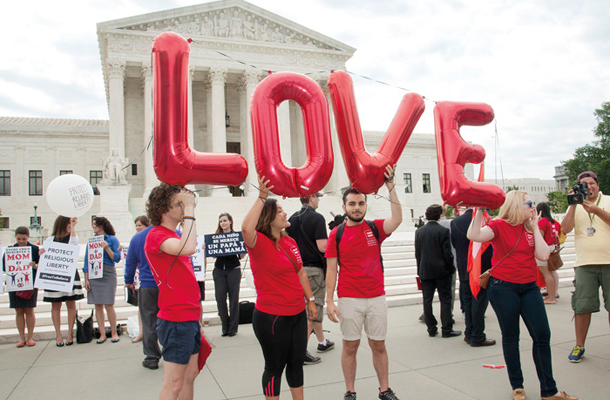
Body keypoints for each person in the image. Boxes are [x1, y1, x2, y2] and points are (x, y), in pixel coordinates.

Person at [467, 190, 577, 400]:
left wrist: (535, 226)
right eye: (530, 203)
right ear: (518, 205)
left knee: (542, 335)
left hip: (529, 288)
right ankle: (518, 386)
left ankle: (549, 391)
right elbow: (474, 236)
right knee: (511, 337)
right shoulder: (498, 225)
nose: (533, 207)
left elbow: (544, 255)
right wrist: (480, 211)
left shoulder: (531, 227)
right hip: (503, 288)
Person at [325, 165, 403, 400]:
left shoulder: (375, 227)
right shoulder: (336, 234)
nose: (357, 208)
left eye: (361, 204)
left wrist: (391, 188)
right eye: (352, 204)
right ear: (344, 207)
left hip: (376, 297)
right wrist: (329, 301)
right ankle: (350, 391)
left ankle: (384, 389)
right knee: (350, 346)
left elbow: (397, 219)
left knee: (378, 345)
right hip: (349, 299)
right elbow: (331, 270)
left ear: (365, 205)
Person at [242, 176, 317, 400]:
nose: (285, 213)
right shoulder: (258, 244)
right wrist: (262, 196)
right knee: (275, 367)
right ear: (268, 218)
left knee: (296, 363)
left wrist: (311, 300)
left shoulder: (290, 241)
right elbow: (246, 228)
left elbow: (301, 272)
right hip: (272, 317)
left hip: (297, 313)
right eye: (280, 211)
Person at [144, 183, 202, 400]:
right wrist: (190, 210)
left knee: (189, 375)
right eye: (178, 203)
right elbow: (187, 248)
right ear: (163, 209)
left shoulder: (173, 234)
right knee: (173, 383)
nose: (183, 207)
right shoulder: (156, 235)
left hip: (188, 315)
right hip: (176, 318)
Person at [560, 171, 610, 363]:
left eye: (591, 183)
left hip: (608, 261)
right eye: (584, 184)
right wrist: (573, 204)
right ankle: (579, 345)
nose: (588, 187)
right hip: (585, 264)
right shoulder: (576, 204)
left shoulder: (607, 201)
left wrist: (596, 210)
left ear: (598, 185)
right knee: (582, 306)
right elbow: (565, 229)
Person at [286, 192, 334, 365]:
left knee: (312, 308)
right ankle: (301, 352)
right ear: (311, 198)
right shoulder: (317, 218)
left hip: (297, 269)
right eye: (317, 197)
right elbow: (322, 246)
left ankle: (322, 342)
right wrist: (335, 236)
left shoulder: (291, 218)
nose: (319, 200)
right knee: (314, 310)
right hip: (313, 269)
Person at [450, 207, 496, 347]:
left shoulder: (455, 222)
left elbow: (454, 244)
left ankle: (469, 332)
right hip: (481, 268)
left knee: (468, 302)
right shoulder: (486, 221)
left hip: (464, 267)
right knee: (479, 302)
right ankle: (477, 335)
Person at [415, 204, 460, 338]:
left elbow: (418, 253)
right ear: (440, 215)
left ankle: (431, 328)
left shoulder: (419, 231)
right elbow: (447, 253)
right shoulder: (443, 231)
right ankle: (446, 328)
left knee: (427, 300)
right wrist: (451, 268)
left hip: (425, 271)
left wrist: (419, 269)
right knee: (445, 299)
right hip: (442, 271)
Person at [42, 216, 85, 347]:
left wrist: (73, 226)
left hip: (69, 274)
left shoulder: (72, 237)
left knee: (70, 304)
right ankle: (58, 334)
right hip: (54, 274)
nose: (69, 226)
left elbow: (73, 244)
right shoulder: (50, 239)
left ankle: (70, 332)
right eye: (67, 224)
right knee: (55, 305)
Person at [125, 216, 161, 369]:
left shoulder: (138, 238)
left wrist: (128, 281)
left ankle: (152, 357)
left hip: (147, 284)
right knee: (171, 319)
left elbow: (131, 262)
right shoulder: (172, 234)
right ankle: (174, 352)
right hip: (167, 284)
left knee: (148, 322)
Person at [83, 216, 121, 344]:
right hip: (94, 272)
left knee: (109, 305)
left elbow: (116, 258)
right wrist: (86, 279)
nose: (93, 226)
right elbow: (86, 260)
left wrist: (106, 248)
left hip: (108, 272)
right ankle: (102, 333)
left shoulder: (112, 239)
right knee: (97, 304)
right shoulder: (91, 241)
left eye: (95, 224)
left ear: (101, 225)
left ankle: (114, 332)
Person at [3, 227, 40, 347]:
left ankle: (30, 337)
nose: (21, 241)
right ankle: (21, 338)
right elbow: (5, 266)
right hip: (15, 284)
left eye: (23, 239)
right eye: (19, 239)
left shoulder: (34, 249)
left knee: (29, 310)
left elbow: (41, 266)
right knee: (18, 310)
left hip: (29, 283)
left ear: (28, 237)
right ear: (15, 237)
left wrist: (35, 265)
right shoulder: (10, 250)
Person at [213, 212, 242, 337]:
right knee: (220, 298)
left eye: (225, 220)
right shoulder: (216, 237)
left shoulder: (236, 236)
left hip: (233, 269)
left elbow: (241, 256)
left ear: (230, 221)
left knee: (233, 298)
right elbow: (213, 254)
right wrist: (208, 248)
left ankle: (233, 328)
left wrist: (242, 246)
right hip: (219, 269)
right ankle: (224, 326)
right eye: (221, 221)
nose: (223, 223)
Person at [536, 202, 561, 304]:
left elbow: (540, 237)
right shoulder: (554, 222)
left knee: (546, 273)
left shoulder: (542, 222)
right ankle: (554, 292)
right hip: (554, 248)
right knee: (552, 271)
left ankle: (551, 296)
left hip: (545, 248)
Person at [130, 215, 150, 343]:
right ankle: (142, 332)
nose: (137, 228)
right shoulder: (136, 239)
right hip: (140, 276)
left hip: (149, 278)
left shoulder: (149, 237)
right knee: (141, 307)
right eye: (136, 225)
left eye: (140, 225)